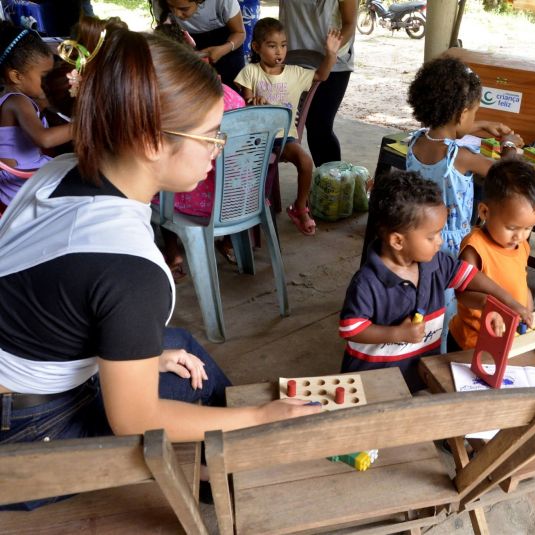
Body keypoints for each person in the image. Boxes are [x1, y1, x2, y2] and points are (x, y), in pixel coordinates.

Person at [0, 30, 319, 494]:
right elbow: (134, 418)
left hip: (19, 369)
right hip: (26, 429)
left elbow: (55, 299)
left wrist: (142, 356)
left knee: (181, 346)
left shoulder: (61, 171)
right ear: (150, 141)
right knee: (192, 407)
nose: (218, 148)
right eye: (210, 135)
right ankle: (226, 478)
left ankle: (223, 462)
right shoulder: (133, 269)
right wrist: (257, 417)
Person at [339, 171, 534, 392]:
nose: (440, 242)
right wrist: (398, 334)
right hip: (373, 383)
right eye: (432, 236)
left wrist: (509, 301)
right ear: (397, 240)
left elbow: (471, 276)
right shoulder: (367, 282)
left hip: (419, 374)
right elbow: (352, 330)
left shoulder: (436, 264)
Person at [153, 17, 246, 278]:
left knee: (156, 185)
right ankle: (228, 242)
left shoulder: (174, 107)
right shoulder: (231, 95)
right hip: (241, 199)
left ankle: (173, 253)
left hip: (201, 203)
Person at [406, 56, 524, 258]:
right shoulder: (460, 156)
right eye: (475, 113)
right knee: (449, 288)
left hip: (418, 235)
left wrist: (481, 124)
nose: (475, 119)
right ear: (461, 114)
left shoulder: (416, 142)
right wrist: (509, 143)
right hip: (450, 246)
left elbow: (450, 129)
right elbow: (507, 173)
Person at [234, 17, 341, 236]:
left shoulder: (295, 73)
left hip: (285, 138)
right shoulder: (250, 72)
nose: (279, 51)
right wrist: (254, 101)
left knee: (305, 162)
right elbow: (246, 103)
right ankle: (241, 218)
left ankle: (300, 207)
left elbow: (321, 75)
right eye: (272, 46)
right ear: (256, 47)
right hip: (256, 138)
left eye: (283, 45)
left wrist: (331, 54)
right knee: (241, 171)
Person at [448, 160, 535, 351]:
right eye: (511, 228)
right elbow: (462, 293)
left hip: (507, 336)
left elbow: (521, 282)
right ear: (484, 211)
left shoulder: (521, 245)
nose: (520, 236)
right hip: (471, 340)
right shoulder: (475, 247)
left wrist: (527, 307)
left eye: (528, 228)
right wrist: (488, 304)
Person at [0, 23, 72, 209]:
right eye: (44, 76)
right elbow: (44, 139)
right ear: (16, 76)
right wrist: (85, 125)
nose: (47, 82)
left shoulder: (18, 99)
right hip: (20, 184)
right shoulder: (17, 101)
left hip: (24, 173)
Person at [279, 0, 356, 167]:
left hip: (333, 62)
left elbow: (350, 24)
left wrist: (333, 48)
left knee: (319, 125)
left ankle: (334, 182)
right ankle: (326, 181)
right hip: (295, 59)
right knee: (301, 125)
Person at [150, 0, 246, 88]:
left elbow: (239, 33)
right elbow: (164, 34)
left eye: (184, 9)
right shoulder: (159, 2)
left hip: (228, 42)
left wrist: (224, 48)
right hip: (191, 44)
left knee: (232, 86)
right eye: (170, 6)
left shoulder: (222, 1)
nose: (177, 14)